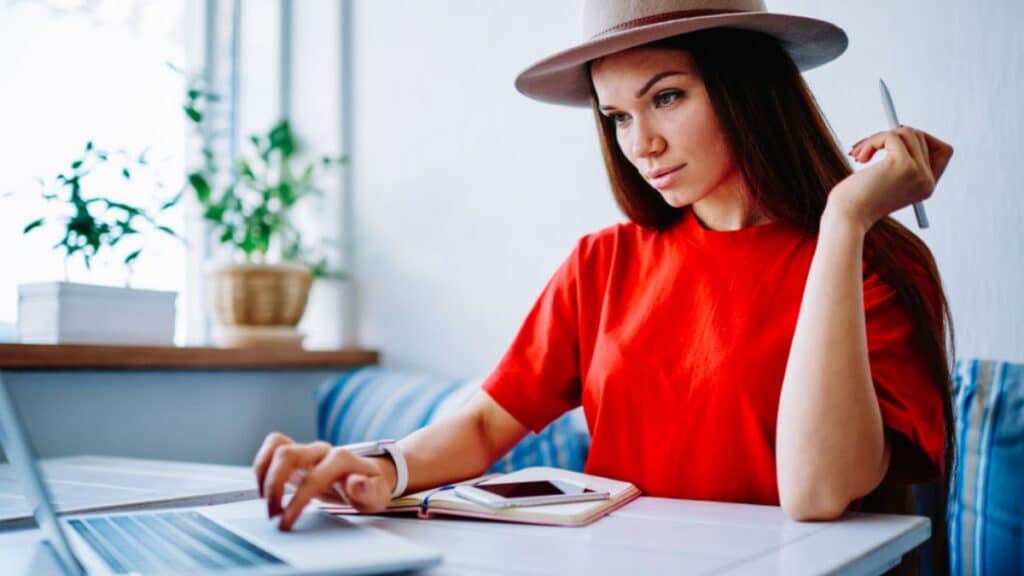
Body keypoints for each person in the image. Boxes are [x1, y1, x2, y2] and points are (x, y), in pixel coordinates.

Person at [253, 0, 955, 567]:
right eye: (617, 116)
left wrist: (844, 221)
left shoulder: (871, 262)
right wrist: (383, 467)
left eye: (667, 97)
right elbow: (487, 422)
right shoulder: (603, 262)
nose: (640, 144)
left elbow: (817, 492)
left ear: (745, 87)